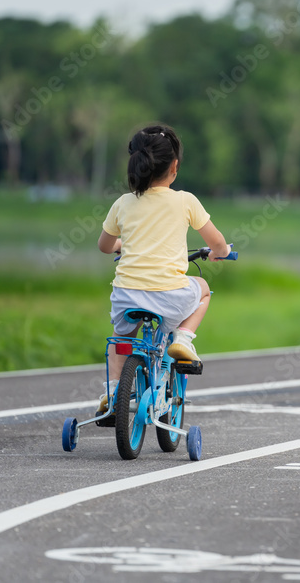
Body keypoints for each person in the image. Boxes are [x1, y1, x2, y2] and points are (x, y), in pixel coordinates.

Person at [94, 124, 230, 421]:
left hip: (127, 297)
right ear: (175, 166)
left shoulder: (122, 204)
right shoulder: (185, 201)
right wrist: (220, 253)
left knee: (121, 339)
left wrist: (121, 245)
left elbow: (105, 246)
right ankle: (182, 338)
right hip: (170, 298)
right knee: (203, 289)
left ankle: (113, 391)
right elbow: (217, 242)